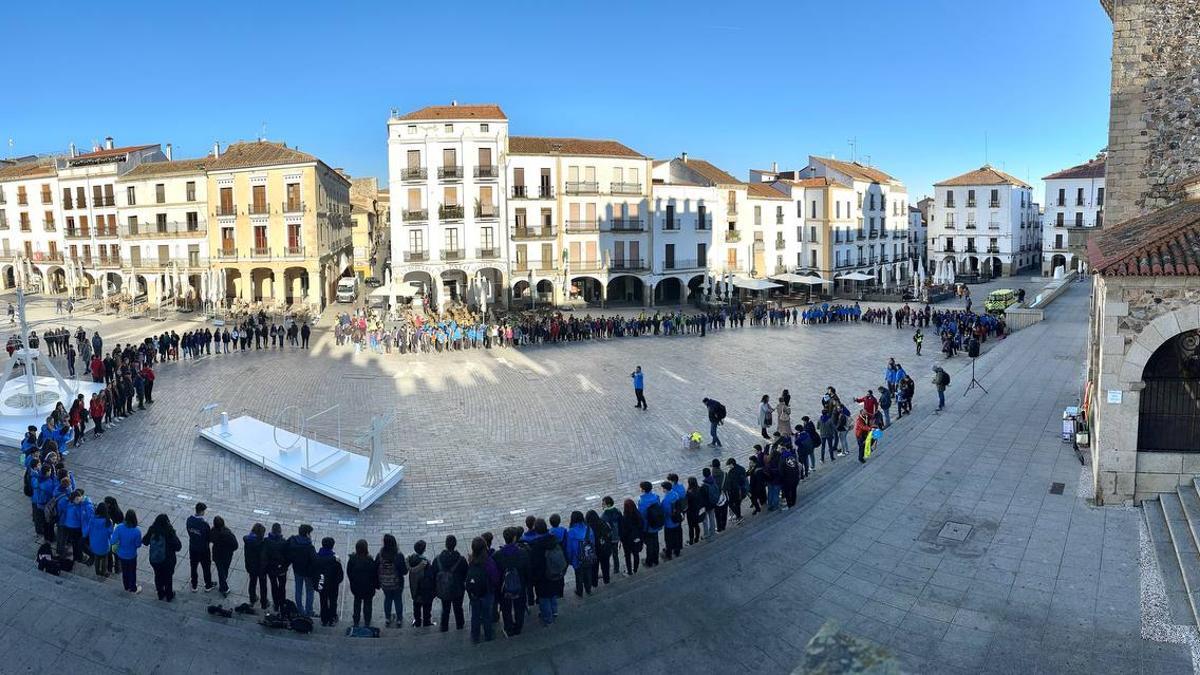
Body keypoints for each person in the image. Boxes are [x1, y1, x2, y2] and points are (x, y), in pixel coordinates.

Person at [494, 527, 530, 637]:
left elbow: (496, 574)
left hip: (504, 587)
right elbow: (528, 570)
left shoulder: (497, 555)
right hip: (520, 584)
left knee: (506, 608)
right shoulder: (523, 552)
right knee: (519, 607)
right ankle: (518, 627)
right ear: (515, 538)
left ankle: (509, 628)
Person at [530, 519, 564, 626]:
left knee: (544, 598)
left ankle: (548, 619)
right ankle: (554, 612)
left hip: (543, 576)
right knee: (553, 593)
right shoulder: (553, 539)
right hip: (555, 572)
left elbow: (535, 564)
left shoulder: (536, 545)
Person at [142, 513, 183, 601]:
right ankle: (169, 595)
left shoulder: (152, 529)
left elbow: (145, 541)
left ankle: (160, 594)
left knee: (158, 576)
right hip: (168, 560)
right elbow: (178, 546)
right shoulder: (169, 532)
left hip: (155, 560)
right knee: (168, 578)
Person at [432, 535, 467, 632]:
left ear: (446, 545)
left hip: (444, 589)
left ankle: (444, 627)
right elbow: (465, 575)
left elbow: (433, 574)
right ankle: (460, 625)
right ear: (455, 545)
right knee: (458, 608)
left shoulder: (438, 559)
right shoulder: (461, 560)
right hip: (458, 589)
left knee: (445, 609)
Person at [465, 536, 496, 643]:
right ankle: (488, 635)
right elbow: (495, 578)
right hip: (487, 593)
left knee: (475, 615)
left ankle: (475, 636)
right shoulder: (488, 562)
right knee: (487, 615)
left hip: (475, 594)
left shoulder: (471, 561)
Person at [375, 533, 408, 628]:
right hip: (397, 583)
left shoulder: (380, 555)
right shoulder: (398, 555)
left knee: (387, 599)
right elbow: (404, 572)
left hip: (385, 583)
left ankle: (388, 618)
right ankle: (399, 619)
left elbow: (375, 568)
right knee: (398, 600)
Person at [347, 539, 379, 628]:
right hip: (368, 588)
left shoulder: (352, 560)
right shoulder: (370, 560)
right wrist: (376, 585)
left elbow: (349, 572)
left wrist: (352, 582)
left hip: (356, 587)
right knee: (368, 604)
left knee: (357, 603)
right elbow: (374, 574)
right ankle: (367, 621)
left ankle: (356, 621)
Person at [287, 524, 317, 617]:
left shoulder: (292, 540)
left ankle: (300, 609)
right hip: (308, 573)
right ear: (307, 534)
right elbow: (314, 561)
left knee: (298, 590)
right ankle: (309, 611)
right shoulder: (309, 547)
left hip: (297, 569)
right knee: (309, 591)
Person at [185, 502, 215, 593]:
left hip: (193, 547)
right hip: (203, 549)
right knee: (206, 567)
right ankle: (208, 585)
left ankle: (194, 585)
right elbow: (209, 538)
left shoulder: (189, 520)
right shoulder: (204, 524)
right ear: (202, 511)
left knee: (193, 567)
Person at [110, 509, 142, 593]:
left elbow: (113, 541)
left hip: (121, 554)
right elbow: (138, 545)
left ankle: (126, 586)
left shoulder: (119, 527)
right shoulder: (137, 531)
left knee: (125, 571)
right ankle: (133, 587)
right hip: (132, 555)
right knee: (132, 571)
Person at [314, 537, 344, 627]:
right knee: (333, 601)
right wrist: (338, 581)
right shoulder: (335, 559)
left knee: (323, 600)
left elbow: (314, 571)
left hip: (321, 583)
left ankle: (324, 619)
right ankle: (332, 618)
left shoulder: (317, 557)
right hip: (333, 585)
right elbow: (340, 573)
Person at [564, 511, 595, 597]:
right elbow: (593, 543)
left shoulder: (571, 532)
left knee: (578, 576)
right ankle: (588, 589)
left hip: (577, 559)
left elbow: (569, 549)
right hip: (588, 556)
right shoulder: (589, 529)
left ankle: (579, 591)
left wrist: (570, 560)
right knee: (588, 573)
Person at [407, 539, 435, 628]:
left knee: (416, 607)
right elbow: (430, 577)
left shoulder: (410, 560)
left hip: (414, 589)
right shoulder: (425, 563)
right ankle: (427, 622)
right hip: (424, 591)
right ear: (423, 550)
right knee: (427, 608)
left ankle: (417, 622)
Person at [210, 516, 239, 597]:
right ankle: (224, 587)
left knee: (220, 570)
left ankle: (223, 584)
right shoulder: (228, 533)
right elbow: (235, 545)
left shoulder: (213, 531)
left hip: (217, 554)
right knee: (224, 570)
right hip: (226, 555)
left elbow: (211, 539)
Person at [263, 523, 289, 612]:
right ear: (280, 531)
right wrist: (285, 566)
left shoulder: (266, 541)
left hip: (271, 569)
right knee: (282, 586)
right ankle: (282, 603)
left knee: (274, 585)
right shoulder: (284, 542)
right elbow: (287, 557)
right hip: (281, 569)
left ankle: (276, 604)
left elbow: (265, 555)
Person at [243, 523, 269, 610]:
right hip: (261, 568)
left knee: (252, 582)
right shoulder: (262, 543)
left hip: (251, 566)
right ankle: (264, 602)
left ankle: (252, 598)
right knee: (263, 585)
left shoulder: (247, 540)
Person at [86, 502, 114, 577]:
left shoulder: (92, 519)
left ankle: (97, 571)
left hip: (94, 543)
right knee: (105, 558)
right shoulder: (108, 521)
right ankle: (104, 571)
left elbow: (88, 529)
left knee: (97, 558)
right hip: (104, 544)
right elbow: (110, 532)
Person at [619, 498, 644, 574]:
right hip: (637, 538)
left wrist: (622, 540)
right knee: (636, 554)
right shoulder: (638, 514)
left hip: (627, 541)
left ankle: (629, 571)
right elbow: (641, 527)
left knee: (627, 556)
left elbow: (623, 532)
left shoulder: (624, 518)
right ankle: (635, 569)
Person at [600, 496, 622, 580]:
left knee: (607, 555)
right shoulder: (617, 511)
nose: (602, 505)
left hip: (609, 539)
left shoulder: (604, 516)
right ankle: (616, 568)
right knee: (615, 554)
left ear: (608, 504)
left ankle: (606, 571)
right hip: (617, 537)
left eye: (603, 504)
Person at [724, 457, 748, 524]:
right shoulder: (741, 468)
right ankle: (738, 516)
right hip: (742, 490)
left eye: (729, 465)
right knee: (738, 504)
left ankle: (738, 516)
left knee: (731, 504)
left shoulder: (731, 473)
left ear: (731, 464)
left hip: (735, 491)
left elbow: (730, 484)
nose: (728, 466)